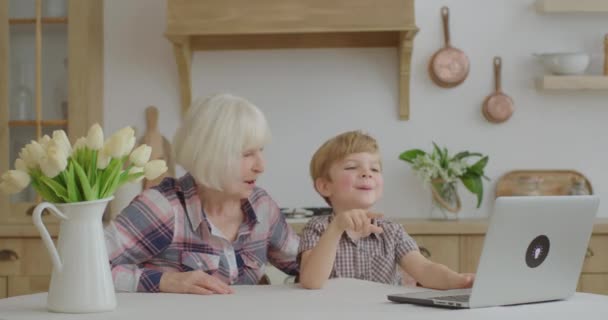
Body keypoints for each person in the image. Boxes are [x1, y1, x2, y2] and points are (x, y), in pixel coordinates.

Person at [105, 94, 299, 294]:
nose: (261, 166)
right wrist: (164, 281)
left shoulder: (262, 206)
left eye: (261, 150)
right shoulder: (163, 207)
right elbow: (80, 268)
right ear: (210, 155)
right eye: (247, 154)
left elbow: (306, 265)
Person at [298, 130, 474, 289]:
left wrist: (458, 280)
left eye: (374, 169)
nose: (367, 173)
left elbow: (425, 269)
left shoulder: (392, 231)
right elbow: (311, 281)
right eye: (352, 167)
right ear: (325, 186)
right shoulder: (318, 228)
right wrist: (336, 228)